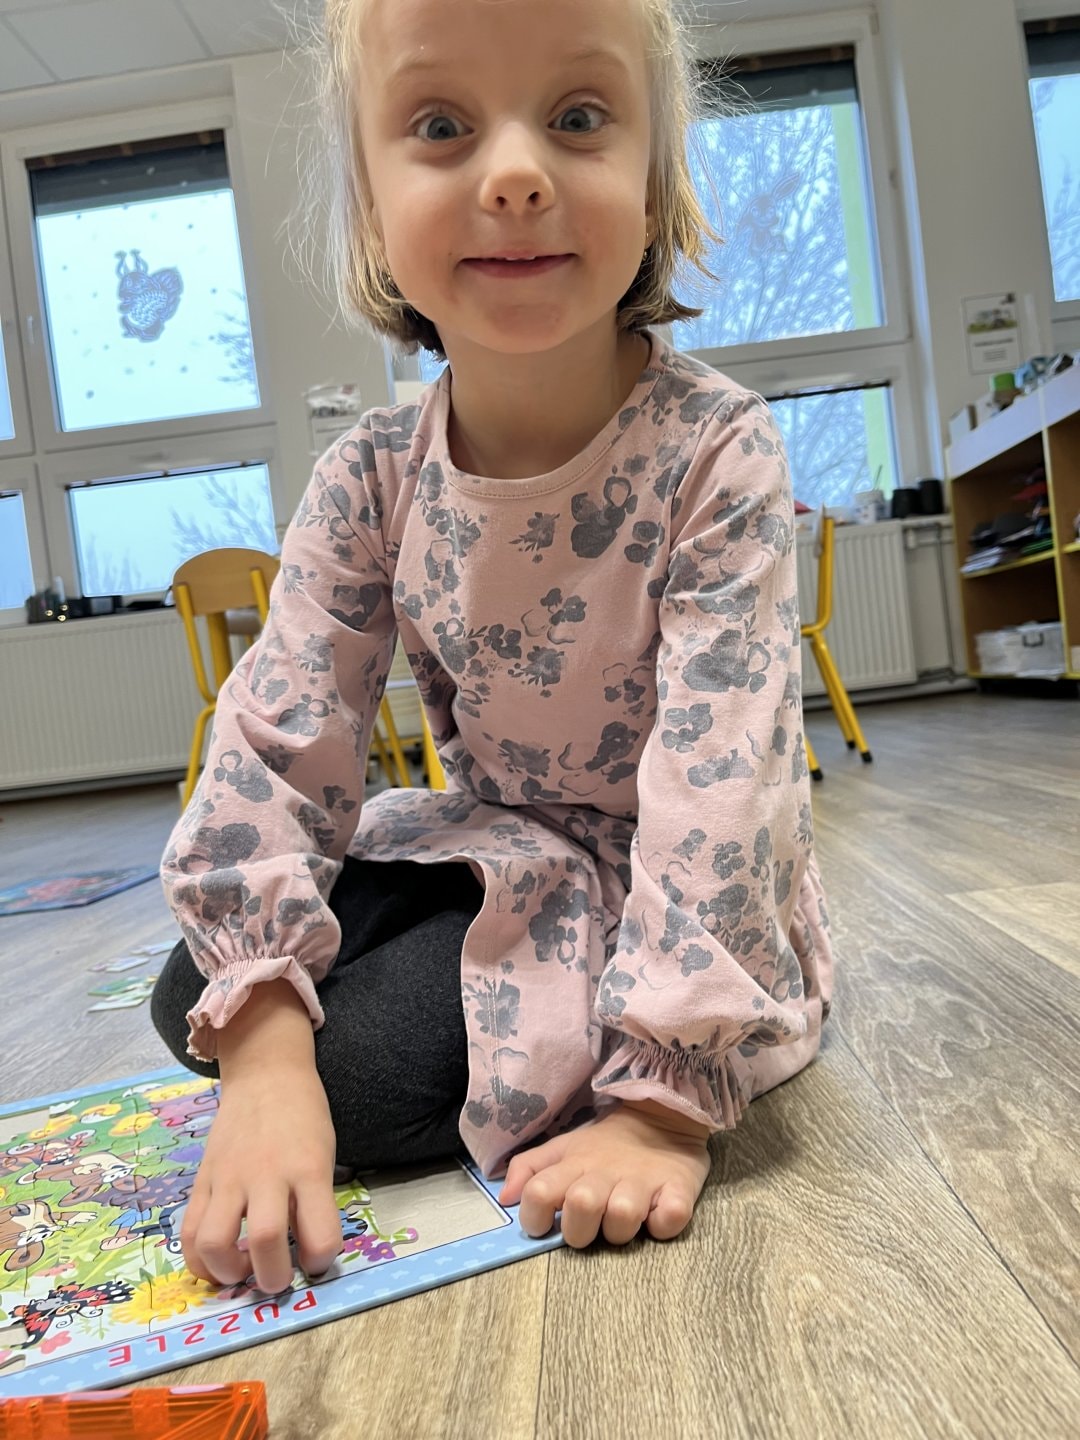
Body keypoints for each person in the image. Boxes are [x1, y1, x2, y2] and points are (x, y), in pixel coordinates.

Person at [152, 0, 834, 1297]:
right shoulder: (370, 472)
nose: (515, 173)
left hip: (658, 890)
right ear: (369, 206)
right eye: (440, 125)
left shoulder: (715, 448)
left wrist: (661, 1103)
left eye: (577, 117)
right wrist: (262, 1041)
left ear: (655, 179)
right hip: (498, 843)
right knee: (209, 980)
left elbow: (727, 786)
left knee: (362, 1073)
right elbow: (278, 742)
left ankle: (620, 1040)